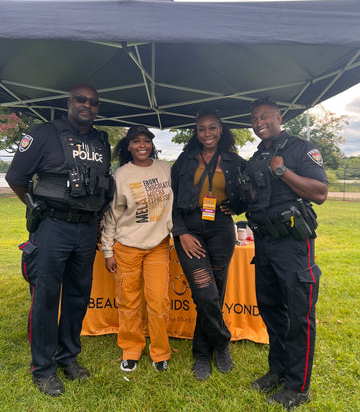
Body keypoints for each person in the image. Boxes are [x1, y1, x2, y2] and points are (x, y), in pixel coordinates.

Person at [6, 84, 113, 397]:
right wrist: (33, 206)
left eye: (93, 102)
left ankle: (68, 357)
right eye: (81, 100)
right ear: (69, 102)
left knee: (78, 297)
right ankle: (43, 368)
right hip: (53, 226)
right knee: (46, 298)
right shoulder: (44, 133)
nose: (87, 106)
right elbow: (16, 177)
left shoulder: (101, 140)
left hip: (86, 229)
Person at [240, 97, 328, 410]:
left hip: (293, 245)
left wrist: (284, 173)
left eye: (265, 116)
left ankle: (297, 386)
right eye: (254, 119)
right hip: (263, 245)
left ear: (280, 116)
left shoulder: (301, 148)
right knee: (271, 310)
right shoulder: (256, 156)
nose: (259, 123)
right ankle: (277, 370)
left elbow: (320, 193)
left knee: (299, 316)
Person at [171, 109, 247, 381]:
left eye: (212, 128)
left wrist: (235, 206)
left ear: (221, 130)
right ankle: (222, 341)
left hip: (221, 230)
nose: (207, 134)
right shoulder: (185, 160)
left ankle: (202, 352)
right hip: (190, 229)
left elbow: (248, 194)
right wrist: (180, 233)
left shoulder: (234, 161)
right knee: (204, 292)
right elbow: (172, 197)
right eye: (202, 129)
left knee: (216, 291)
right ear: (196, 132)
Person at [101, 125, 173, 373]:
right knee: (128, 302)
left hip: (158, 246)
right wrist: (108, 251)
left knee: (158, 301)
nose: (142, 145)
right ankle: (131, 349)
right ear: (128, 146)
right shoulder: (120, 175)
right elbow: (112, 215)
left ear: (152, 144)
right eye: (136, 141)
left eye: (146, 141)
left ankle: (160, 352)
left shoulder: (165, 168)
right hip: (127, 247)